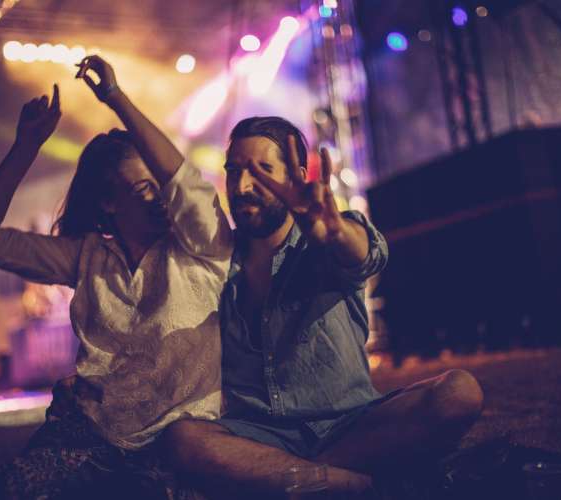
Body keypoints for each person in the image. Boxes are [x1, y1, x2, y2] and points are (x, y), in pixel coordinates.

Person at [163, 117, 484, 498]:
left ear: (298, 175)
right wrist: (114, 94)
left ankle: (288, 480)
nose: (244, 186)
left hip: (350, 424)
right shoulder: (217, 261)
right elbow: (176, 177)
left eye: (263, 171)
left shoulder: (323, 239)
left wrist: (334, 231)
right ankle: (357, 484)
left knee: (459, 392)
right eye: (234, 172)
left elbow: (364, 255)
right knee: (183, 439)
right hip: (260, 436)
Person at [0, 55, 231, 498]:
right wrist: (26, 145)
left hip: (180, 442)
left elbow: (185, 184)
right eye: (143, 187)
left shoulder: (202, 248)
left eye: (160, 185)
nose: (160, 195)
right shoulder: (85, 258)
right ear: (108, 202)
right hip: (91, 437)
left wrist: (116, 98)